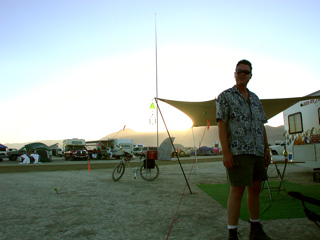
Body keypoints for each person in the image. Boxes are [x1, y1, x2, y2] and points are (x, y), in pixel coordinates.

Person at [216, 59, 271, 240]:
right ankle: (232, 233)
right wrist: (226, 152)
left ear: (250, 75)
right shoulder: (225, 96)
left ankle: (255, 230)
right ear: (234, 73)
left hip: (257, 151)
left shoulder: (255, 99)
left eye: (246, 72)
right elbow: (222, 125)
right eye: (239, 71)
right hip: (238, 152)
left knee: (255, 190)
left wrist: (267, 149)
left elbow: (261, 125)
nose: (242, 74)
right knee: (237, 191)